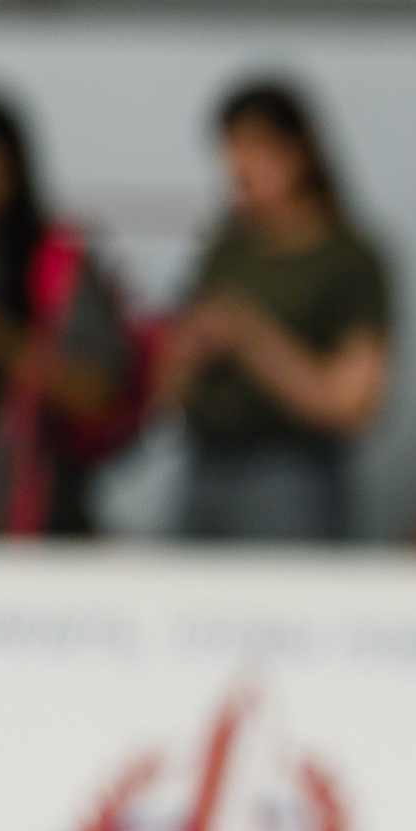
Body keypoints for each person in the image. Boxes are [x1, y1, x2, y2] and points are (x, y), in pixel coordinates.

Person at [161, 78, 394, 541]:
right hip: (204, 465)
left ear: (301, 150)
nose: (240, 168)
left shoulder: (348, 258)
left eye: (257, 150)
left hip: (290, 475)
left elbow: (350, 403)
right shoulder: (225, 252)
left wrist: (247, 336)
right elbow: (169, 382)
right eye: (231, 152)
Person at [0, 91, 149, 535]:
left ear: (14, 165)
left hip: (36, 516)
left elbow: (101, 389)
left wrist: (10, 347)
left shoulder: (54, 260)